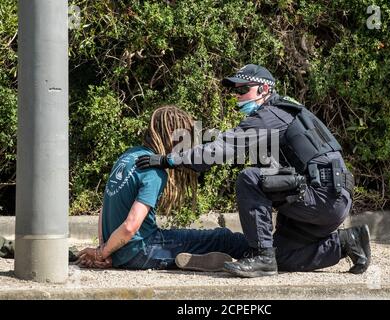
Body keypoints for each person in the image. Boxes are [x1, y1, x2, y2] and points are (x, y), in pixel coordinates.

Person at [135, 64, 371, 278]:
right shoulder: (286, 111)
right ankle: (345, 242)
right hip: (326, 198)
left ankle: (262, 259)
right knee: (282, 256)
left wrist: (170, 159)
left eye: (243, 89)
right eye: (236, 91)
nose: (238, 96)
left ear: (264, 89)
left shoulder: (271, 115)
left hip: (322, 198)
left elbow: (222, 148)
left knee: (250, 178)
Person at [76, 106, 249, 271]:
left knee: (186, 239)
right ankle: (264, 253)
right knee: (223, 238)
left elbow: (104, 209)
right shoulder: (154, 171)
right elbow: (130, 226)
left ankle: (189, 259)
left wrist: (105, 248)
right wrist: (100, 254)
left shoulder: (127, 157)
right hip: (143, 251)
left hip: (119, 252)